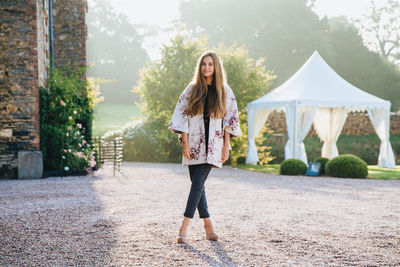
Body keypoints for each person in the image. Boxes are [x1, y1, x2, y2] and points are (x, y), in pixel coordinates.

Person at [168, 50, 241, 243]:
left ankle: (184, 225)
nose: (206, 67)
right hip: (193, 143)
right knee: (197, 185)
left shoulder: (225, 91)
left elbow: (230, 120)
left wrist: (226, 146)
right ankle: (209, 226)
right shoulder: (192, 89)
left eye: (210, 64)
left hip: (214, 144)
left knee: (198, 182)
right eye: (203, 64)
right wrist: (184, 142)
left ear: (216, 67)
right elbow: (181, 114)